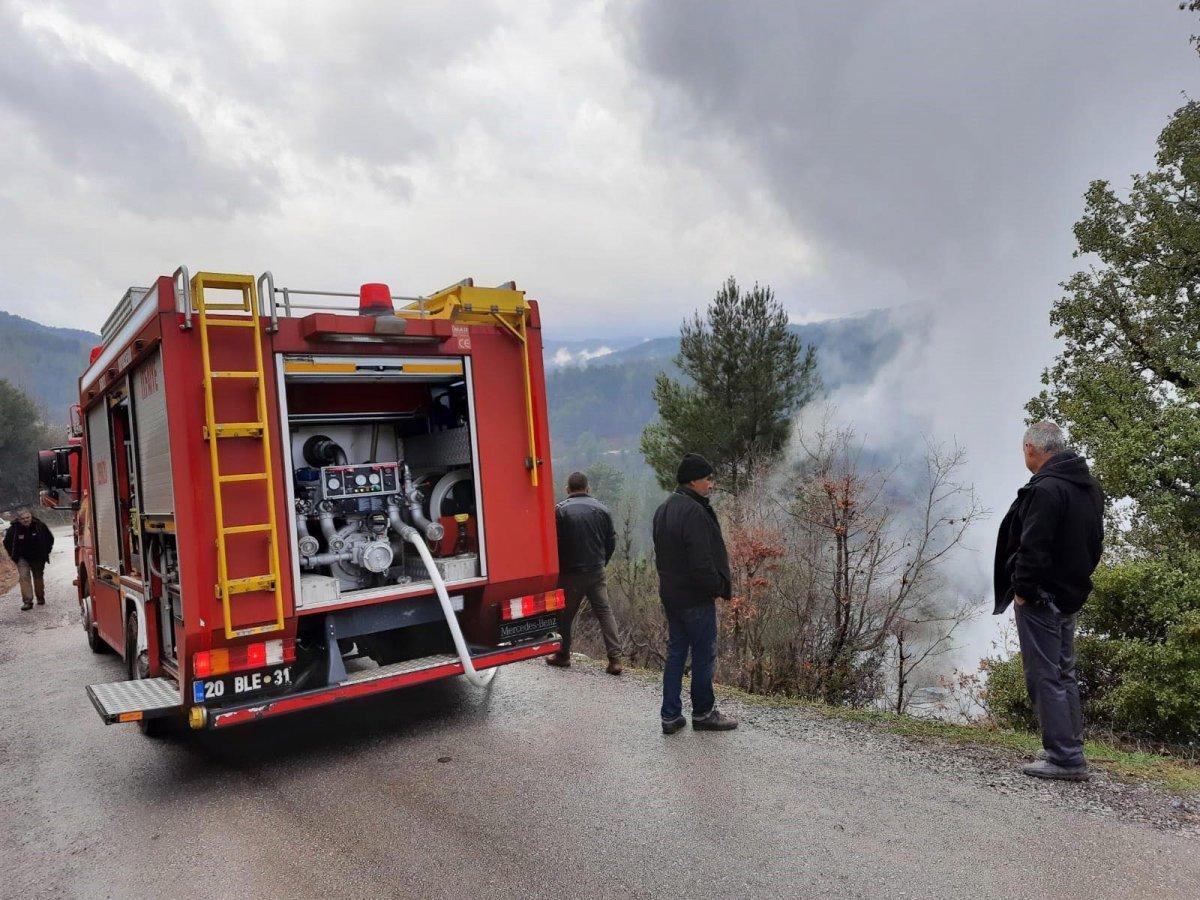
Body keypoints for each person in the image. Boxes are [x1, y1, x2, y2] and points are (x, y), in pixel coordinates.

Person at [994, 421, 1104, 781]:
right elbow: (1094, 543)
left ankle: (1064, 758)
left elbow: (1032, 549)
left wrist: (1023, 591)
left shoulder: (1046, 491)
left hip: (1042, 597)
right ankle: (1069, 748)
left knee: (1044, 675)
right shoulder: (1086, 487)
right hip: (1068, 593)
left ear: (1030, 449)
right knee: (1063, 672)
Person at [652, 453, 737, 734]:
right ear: (693, 480)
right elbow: (702, 562)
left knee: (676, 652)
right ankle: (703, 712)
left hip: (671, 595)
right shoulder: (694, 512)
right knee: (703, 654)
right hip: (694, 597)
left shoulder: (664, 509)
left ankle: (670, 716)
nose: (711, 485)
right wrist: (716, 588)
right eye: (707, 479)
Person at [546, 471, 624, 675]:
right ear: (588, 489)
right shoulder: (603, 510)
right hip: (596, 571)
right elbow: (611, 542)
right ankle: (615, 660)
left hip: (570, 573)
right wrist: (602, 562)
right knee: (605, 612)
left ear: (567, 490)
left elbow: (554, 543)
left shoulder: (560, 511)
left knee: (565, 616)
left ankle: (563, 655)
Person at [4, 507, 54, 611]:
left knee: (38, 577)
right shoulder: (14, 529)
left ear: (31, 517)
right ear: (19, 519)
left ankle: (40, 597)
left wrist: (46, 551)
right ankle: (27, 601)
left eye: (28, 517)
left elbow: (50, 538)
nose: (26, 520)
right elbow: (6, 542)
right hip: (22, 558)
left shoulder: (39, 525)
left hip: (38, 557)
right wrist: (14, 556)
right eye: (23, 518)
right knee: (24, 578)